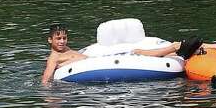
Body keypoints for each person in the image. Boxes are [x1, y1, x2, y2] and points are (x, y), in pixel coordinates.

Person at [40, 24, 204, 84]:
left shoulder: (66, 50)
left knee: (138, 52)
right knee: (140, 53)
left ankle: (183, 52)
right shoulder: (54, 57)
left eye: (64, 38)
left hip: (100, 61)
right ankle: (177, 48)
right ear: (50, 40)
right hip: (98, 65)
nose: (62, 41)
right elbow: (46, 77)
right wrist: (47, 93)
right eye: (58, 39)